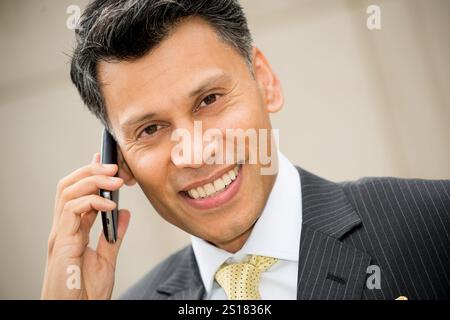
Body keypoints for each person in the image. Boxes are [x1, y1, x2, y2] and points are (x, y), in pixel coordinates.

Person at [41, 0, 450, 300]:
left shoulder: (436, 225)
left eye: (209, 100)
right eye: (150, 128)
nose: (195, 152)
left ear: (265, 81)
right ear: (121, 162)